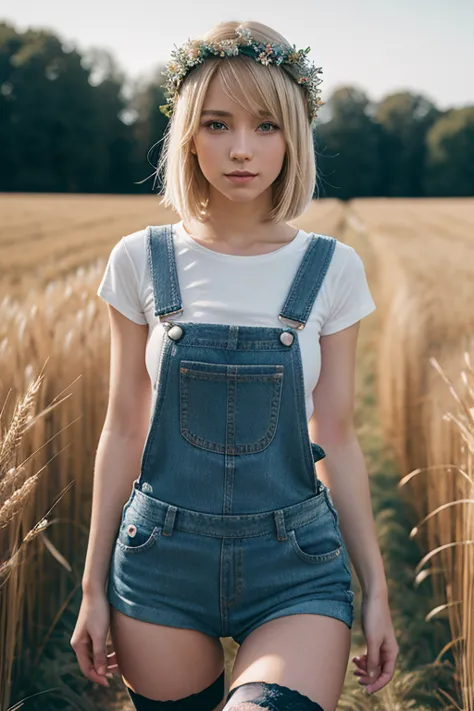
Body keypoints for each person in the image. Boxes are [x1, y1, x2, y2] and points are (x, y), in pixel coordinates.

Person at [70, 19, 399, 711]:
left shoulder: (331, 269)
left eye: (266, 126)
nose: (241, 149)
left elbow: (335, 433)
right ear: (188, 133)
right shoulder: (140, 259)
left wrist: (377, 590)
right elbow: (123, 425)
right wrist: (93, 585)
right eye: (217, 124)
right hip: (159, 562)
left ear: (294, 136)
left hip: (296, 566)